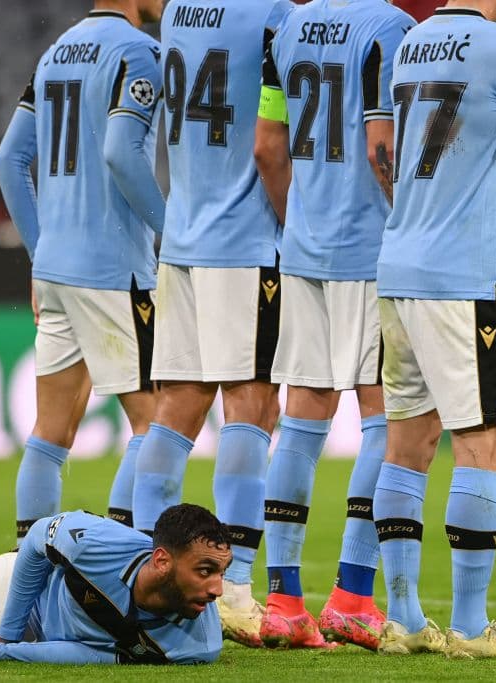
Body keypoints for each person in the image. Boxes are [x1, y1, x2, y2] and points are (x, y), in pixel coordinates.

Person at [372, 0, 496, 657]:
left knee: (407, 441)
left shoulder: (411, 42)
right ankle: (472, 627)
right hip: (465, 276)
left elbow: (388, 151)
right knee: (482, 439)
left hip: (398, 265)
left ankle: (404, 618)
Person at [131, 0, 293, 648]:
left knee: (175, 409)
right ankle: (240, 588)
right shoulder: (275, 15)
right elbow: (271, 138)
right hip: (245, 239)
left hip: (185, 236)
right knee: (252, 406)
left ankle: (145, 570)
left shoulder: (180, 14)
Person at [253, 0, 414, 650]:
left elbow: (268, 148)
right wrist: (411, 225)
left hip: (305, 252)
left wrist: (301, 225)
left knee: (302, 419)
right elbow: (386, 144)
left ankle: (284, 601)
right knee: (386, 417)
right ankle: (352, 593)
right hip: (371, 251)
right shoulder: (392, 28)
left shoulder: (288, 29)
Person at [0, 0, 166, 542]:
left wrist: (41, 250)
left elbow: (8, 160)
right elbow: (120, 152)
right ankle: (117, 570)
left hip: (56, 270)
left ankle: (30, 573)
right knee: (158, 424)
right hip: (113, 269)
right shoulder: (139, 51)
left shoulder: (55, 54)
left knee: (50, 434)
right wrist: (170, 230)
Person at [0, 504, 231, 665]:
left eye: (222, 573)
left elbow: (98, 657)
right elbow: (39, 536)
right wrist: (7, 637)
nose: (217, 590)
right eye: (204, 571)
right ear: (162, 560)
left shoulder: (201, 645)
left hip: (63, 637)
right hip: (37, 597)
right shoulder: (96, 543)